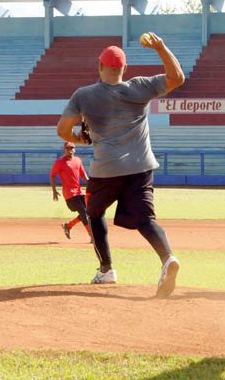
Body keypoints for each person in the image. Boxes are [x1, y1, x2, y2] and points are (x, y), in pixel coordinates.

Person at [56, 34, 185, 298]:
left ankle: (106, 270)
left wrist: (78, 138)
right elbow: (177, 78)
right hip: (141, 167)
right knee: (145, 219)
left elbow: (63, 130)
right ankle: (168, 258)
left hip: (106, 170)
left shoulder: (83, 95)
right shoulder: (140, 87)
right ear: (124, 69)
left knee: (93, 213)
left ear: (100, 67)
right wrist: (161, 46)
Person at [51, 141, 91, 241]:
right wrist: (54, 191)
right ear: (64, 150)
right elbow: (52, 176)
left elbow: (83, 175)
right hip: (69, 194)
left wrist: (91, 184)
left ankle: (68, 226)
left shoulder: (78, 160)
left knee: (87, 212)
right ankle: (92, 236)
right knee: (83, 212)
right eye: (67, 148)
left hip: (79, 192)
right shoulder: (60, 162)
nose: (70, 150)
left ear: (75, 149)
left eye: (71, 148)